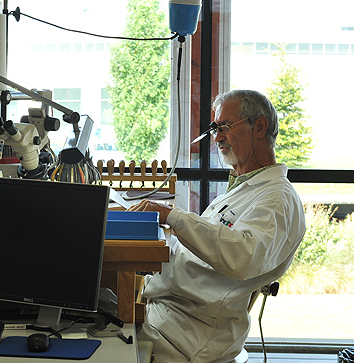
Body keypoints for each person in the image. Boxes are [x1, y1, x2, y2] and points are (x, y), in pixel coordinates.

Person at [130, 89, 306, 363]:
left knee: (93, 341)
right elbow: (208, 247)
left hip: (186, 336)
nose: (217, 137)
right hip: (169, 312)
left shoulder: (277, 199)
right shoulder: (244, 188)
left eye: (225, 127)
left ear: (259, 127)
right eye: (215, 128)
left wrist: (173, 217)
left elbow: (243, 257)